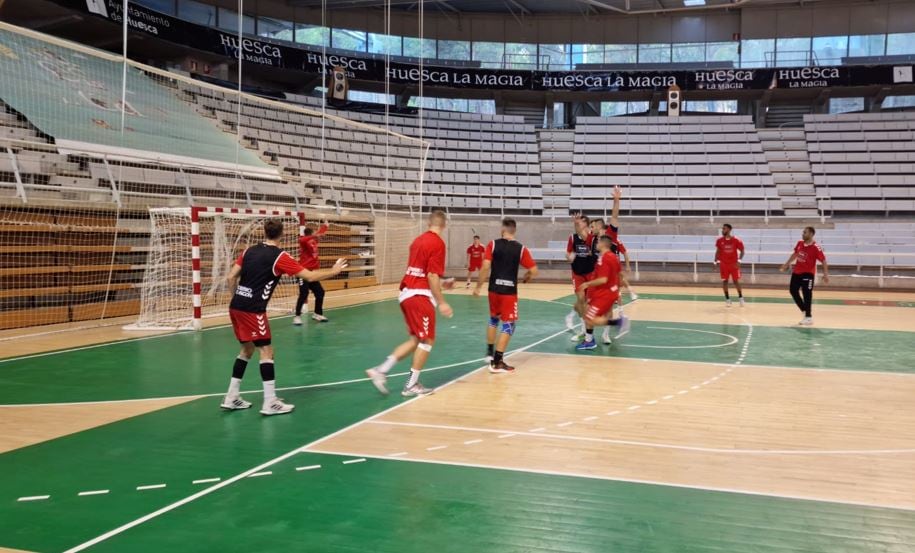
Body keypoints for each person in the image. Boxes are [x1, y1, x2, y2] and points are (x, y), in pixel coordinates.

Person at [220, 219, 347, 416]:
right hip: (253, 310)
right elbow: (310, 277)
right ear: (282, 235)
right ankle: (270, 402)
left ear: (264, 232)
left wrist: (237, 297)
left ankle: (231, 397)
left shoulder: (248, 251)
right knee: (267, 351)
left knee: (247, 349)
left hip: (236, 306)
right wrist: (334, 271)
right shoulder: (279, 256)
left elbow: (230, 277)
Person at [366, 210, 453, 396]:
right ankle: (411, 385)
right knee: (428, 340)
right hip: (419, 296)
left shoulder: (418, 241)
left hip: (407, 293)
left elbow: (422, 272)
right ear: (444, 225)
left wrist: (443, 283)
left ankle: (380, 370)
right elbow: (431, 275)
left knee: (416, 340)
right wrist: (442, 301)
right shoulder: (438, 243)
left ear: (429, 223)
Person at [473, 219, 538, 373]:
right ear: (514, 230)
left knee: (493, 319)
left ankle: (489, 352)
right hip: (509, 291)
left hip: (493, 289)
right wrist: (528, 276)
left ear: (503, 229)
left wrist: (478, 286)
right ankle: (497, 362)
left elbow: (485, 266)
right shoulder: (521, 249)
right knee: (509, 325)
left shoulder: (492, 244)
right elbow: (534, 270)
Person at [574, 235, 631, 351]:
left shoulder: (604, 258)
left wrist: (587, 284)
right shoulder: (613, 257)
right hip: (607, 292)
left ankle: (618, 322)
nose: (596, 244)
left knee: (589, 318)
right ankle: (589, 340)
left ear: (603, 244)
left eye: (598, 242)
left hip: (604, 294)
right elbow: (619, 274)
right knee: (587, 312)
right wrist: (623, 283)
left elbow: (603, 279)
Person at [780, 226, 829, 326]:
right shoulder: (800, 243)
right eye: (803, 232)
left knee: (807, 294)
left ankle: (808, 317)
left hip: (808, 273)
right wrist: (787, 264)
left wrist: (825, 274)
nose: (802, 234)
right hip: (797, 272)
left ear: (811, 234)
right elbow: (795, 254)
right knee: (793, 291)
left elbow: (823, 260)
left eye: (805, 232)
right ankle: (804, 311)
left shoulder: (816, 248)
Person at [565, 213, 597, 337]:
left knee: (589, 302)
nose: (580, 223)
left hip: (590, 273)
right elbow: (568, 253)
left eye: (582, 221)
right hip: (577, 273)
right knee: (581, 299)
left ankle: (572, 316)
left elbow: (581, 232)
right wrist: (569, 256)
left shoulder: (591, 238)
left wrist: (576, 223)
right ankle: (584, 328)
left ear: (587, 225)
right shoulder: (572, 238)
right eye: (579, 222)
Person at [293, 221, 329, 324]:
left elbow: (320, 232)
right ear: (311, 233)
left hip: (312, 273)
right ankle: (297, 316)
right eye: (314, 233)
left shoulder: (314, 241)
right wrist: (316, 235)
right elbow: (302, 239)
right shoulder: (304, 241)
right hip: (302, 272)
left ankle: (317, 313)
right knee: (304, 293)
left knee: (320, 292)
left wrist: (325, 226)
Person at [715, 223, 746, 307]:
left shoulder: (736, 240)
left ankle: (741, 298)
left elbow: (742, 251)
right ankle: (727, 299)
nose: (722, 230)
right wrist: (716, 261)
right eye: (722, 229)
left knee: (736, 281)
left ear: (729, 230)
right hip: (724, 264)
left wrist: (739, 261)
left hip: (733, 264)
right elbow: (718, 251)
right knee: (725, 281)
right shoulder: (719, 240)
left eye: (724, 229)